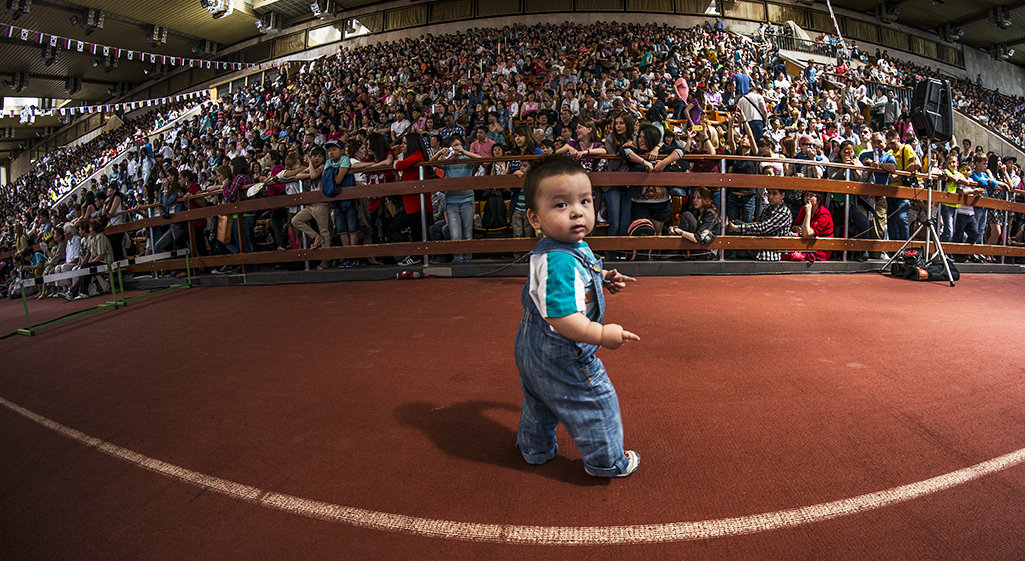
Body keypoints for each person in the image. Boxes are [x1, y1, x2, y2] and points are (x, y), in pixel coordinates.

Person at [514, 155, 640, 478]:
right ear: (534, 218)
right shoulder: (560, 260)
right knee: (595, 400)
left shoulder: (565, 246)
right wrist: (599, 334)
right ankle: (608, 461)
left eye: (584, 201)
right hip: (562, 351)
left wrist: (602, 278)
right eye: (560, 205)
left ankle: (535, 448)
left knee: (539, 399)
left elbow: (575, 283)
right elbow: (562, 316)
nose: (576, 211)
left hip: (531, 347)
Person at [725, 187, 793, 260]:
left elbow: (763, 228)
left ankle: (727, 258)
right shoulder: (768, 208)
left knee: (736, 226)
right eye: (769, 193)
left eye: (774, 194)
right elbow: (758, 224)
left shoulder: (784, 212)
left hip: (769, 252)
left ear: (782, 195)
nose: (770, 197)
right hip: (759, 244)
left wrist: (737, 228)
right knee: (736, 223)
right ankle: (727, 256)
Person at [786, 191, 833, 262]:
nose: (808, 198)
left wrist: (808, 213)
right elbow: (794, 227)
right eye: (806, 195)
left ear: (818, 200)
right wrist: (797, 228)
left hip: (820, 249)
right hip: (806, 243)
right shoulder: (803, 209)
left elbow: (806, 234)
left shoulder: (824, 214)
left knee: (795, 257)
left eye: (811, 196)